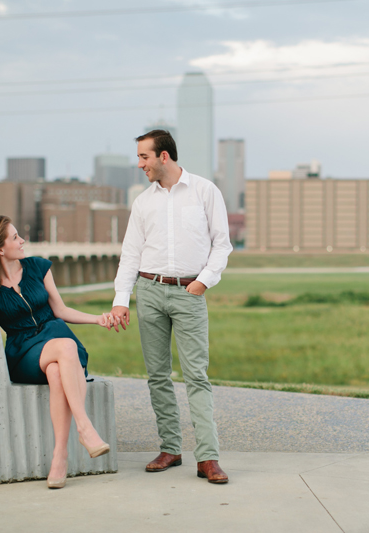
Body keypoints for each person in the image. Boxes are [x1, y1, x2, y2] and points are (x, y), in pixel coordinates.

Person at [0, 215, 114, 490]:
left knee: (58, 368)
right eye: (15, 238)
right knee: (66, 347)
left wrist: (97, 318)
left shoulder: (38, 267)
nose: (22, 240)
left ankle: (59, 457)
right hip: (23, 351)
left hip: (55, 339)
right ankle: (84, 427)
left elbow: (60, 310)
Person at [109, 130, 233, 484]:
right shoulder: (143, 201)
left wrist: (203, 282)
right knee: (157, 376)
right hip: (148, 291)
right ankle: (170, 449)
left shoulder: (205, 191)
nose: (139, 164)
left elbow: (222, 245)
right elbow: (130, 254)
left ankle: (208, 458)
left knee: (197, 375)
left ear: (164, 156)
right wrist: (121, 300)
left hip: (189, 293)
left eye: (144, 157)